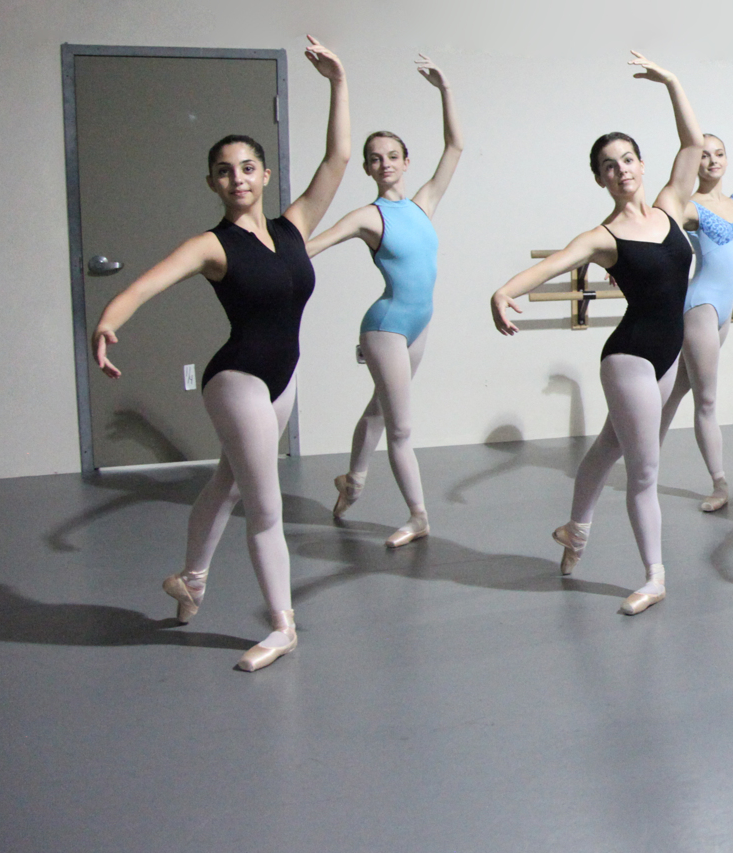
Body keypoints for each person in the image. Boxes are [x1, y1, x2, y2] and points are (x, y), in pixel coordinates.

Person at [90, 36, 350, 671]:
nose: (237, 178)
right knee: (266, 508)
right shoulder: (212, 245)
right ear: (213, 181)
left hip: (282, 379)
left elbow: (339, 157)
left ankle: (191, 581)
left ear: (263, 174)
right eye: (225, 170)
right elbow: (145, 283)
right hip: (237, 380)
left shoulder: (293, 227)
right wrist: (107, 322)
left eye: (247, 167)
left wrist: (339, 82)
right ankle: (283, 626)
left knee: (227, 482)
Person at [489, 53, 702, 616]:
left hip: (668, 354)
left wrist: (673, 83)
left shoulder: (671, 207)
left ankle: (574, 530)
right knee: (644, 469)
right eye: (610, 165)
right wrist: (504, 291)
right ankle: (654, 575)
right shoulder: (602, 236)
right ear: (600, 177)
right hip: (630, 358)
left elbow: (693, 145)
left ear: (640, 163)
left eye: (628, 158)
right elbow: (554, 263)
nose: (622, 169)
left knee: (609, 446)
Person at [309, 55, 463, 548]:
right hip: (386, 327)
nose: (382, 163)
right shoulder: (366, 216)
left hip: (419, 325)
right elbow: (313, 243)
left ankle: (352, 481)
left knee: (378, 411)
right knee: (401, 428)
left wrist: (445, 89)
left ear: (405, 160)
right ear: (368, 167)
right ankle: (418, 516)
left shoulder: (424, 203)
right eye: (374, 158)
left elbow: (456, 146)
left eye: (390, 155)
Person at [658, 73, 733, 513]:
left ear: (727, 160)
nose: (711, 160)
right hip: (702, 306)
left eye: (719, 153)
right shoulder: (690, 208)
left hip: (724, 310)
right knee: (706, 400)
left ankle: (640, 455)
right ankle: (720, 483)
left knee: (676, 393)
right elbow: (655, 228)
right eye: (703, 154)